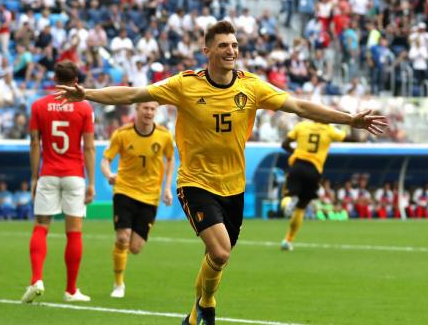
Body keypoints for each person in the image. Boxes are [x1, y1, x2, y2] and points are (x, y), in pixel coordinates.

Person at [55, 20, 387, 324]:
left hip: (233, 187)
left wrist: (349, 118)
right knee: (220, 251)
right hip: (196, 183)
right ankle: (208, 304)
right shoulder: (185, 85)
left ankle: (191, 315)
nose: (231, 51)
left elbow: (299, 106)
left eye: (234, 45)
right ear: (208, 50)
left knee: (217, 258)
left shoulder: (252, 87)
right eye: (224, 45)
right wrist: (88, 95)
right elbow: (132, 94)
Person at [21, 61, 96, 304]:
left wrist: (34, 177)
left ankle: (36, 280)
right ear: (76, 81)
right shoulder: (84, 108)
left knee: (41, 226)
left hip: (49, 173)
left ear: (55, 79)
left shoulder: (38, 106)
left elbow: (34, 144)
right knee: (73, 231)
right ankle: (71, 290)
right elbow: (89, 147)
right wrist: (91, 182)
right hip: (74, 174)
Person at [101, 101, 175, 298]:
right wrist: (108, 173)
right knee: (122, 237)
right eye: (145, 108)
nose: (149, 112)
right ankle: (118, 284)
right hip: (124, 190)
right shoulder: (122, 134)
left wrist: (167, 188)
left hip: (150, 196)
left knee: (135, 248)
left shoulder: (164, 135)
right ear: (137, 110)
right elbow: (105, 159)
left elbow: (170, 159)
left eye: (152, 109)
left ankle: (123, 262)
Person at [279, 120, 346, 251]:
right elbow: (349, 138)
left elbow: (284, 144)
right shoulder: (328, 129)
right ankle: (288, 240)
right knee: (301, 208)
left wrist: (295, 151)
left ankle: (288, 204)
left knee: (288, 195)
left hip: (298, 165)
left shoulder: (302, 126)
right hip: (314, 170)